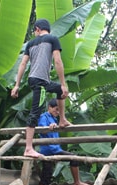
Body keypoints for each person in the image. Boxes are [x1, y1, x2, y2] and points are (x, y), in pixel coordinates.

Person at [11, 19, 70, 158]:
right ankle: (28, 148)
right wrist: (63, 82)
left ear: (37, 29)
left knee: (60, 91)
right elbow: (57, 61)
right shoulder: (53, 39)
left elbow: (23, 64)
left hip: (37, 79)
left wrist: (17, 84)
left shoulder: (30, 43)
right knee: (35, 112)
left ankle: (62, 119)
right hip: (40, 81)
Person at [37, 99, 90, 185]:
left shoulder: (55, 119)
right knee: (46, 176)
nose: (57, 112)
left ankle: (77, 183)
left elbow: (69, 126)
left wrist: (66, 122)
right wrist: (49, 126)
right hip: (48, 151)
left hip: (56, 150)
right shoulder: (44, 117)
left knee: (73, 159)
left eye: (59, 110)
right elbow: (42, 128)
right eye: (56, 110)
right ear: (50, 108)